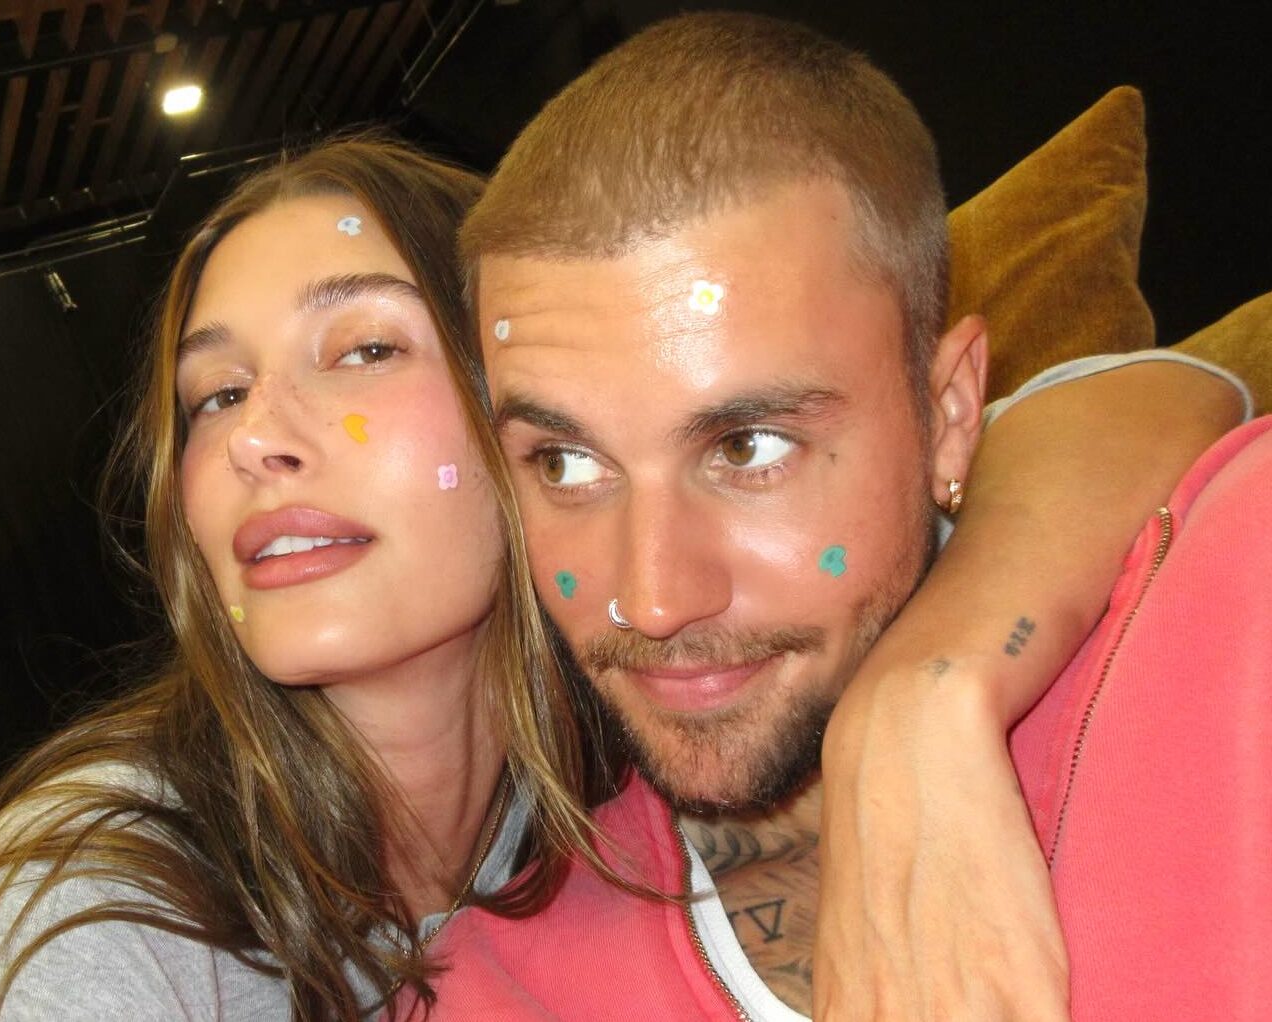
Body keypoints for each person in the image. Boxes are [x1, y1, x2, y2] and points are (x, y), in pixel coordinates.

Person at [415, 11, 1268, 1021]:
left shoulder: (1234, 626)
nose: (652, 600)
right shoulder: (484, 988)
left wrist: (926, 696)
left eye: (747, 447)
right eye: (566, 462)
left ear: (950, 415)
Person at [0, 138, 615, 1021]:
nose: (251, 437)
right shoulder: (98, 911)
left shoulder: (632, 804)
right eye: (218, 395)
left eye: (365, 349)